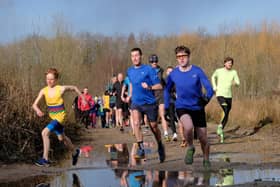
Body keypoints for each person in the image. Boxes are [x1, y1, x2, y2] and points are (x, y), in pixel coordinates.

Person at [164, 46, 214, 169]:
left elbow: (209, 87)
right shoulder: (174, 74)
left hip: (198, 107)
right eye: (179, 57)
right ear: (176, 58)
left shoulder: (197, 71)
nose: (181, 59)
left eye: (183, 56)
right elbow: (166, 90)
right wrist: (166, 106)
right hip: (182, 106)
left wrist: (207, 97)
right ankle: (190, 147)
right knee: (188, 126)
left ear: (188, 57)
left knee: (203, 138)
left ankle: (206, 160)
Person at [32, 68, 85, 167]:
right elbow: (34, 104)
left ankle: (45, 159)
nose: (49, 81)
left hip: (60, 117)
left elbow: (74, 88)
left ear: (56, 80)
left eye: (51, 79)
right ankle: (75, 152)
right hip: (53, 118)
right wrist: (37, 110)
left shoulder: (60, 88)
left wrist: (83, 99)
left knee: (44, 133)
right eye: (47, 79)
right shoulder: (43, 91)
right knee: (62, 138)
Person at [127, 47, 165, 163]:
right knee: (136, 123)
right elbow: (132, 84)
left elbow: (159, 86)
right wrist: (130, 95)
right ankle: (141, 147)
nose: (135, 58)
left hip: (149, 103)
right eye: (133, 56)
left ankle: (160, 145)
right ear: (131, 58)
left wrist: (149, 87)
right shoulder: (129, 71)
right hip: (136, 102)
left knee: (153, 127)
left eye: (137, 55)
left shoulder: (148, 69)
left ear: (141, 56)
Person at [211, 57, 240, 143]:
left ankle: (220, 128)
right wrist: (214, 87)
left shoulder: (234, 72)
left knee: (227, 113)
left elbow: (238, 83)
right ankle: (220, 127)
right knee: (225, 108)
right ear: (224, 63)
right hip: (220, 94)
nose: (229, 64)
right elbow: (213, 77)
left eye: (231, 63)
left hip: (229, 95)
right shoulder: (219, 71)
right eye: (228, 63)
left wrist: (235, 83)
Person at [149, 54, 170, 141]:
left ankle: (166, 134)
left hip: (160, 94)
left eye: (155, 61)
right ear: (150, 62)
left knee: (162, 114)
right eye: (152, 62)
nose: (154, 63)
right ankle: (156, 133)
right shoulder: (147, 70)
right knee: (153, 118)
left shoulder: (160, 70)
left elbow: (161, 82)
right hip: (151, 95)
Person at [164, 66, 178, 141]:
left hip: (172, 101)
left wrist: (174, 94)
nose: (170, 73)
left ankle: (174, 133)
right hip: (164, 101)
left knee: (172, 116)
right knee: (165, 116)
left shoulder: (175, 80)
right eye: (169, 71)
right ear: (166, 72)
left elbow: (176, 90)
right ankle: (173, 122)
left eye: (171, 72)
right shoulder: (164, 80)